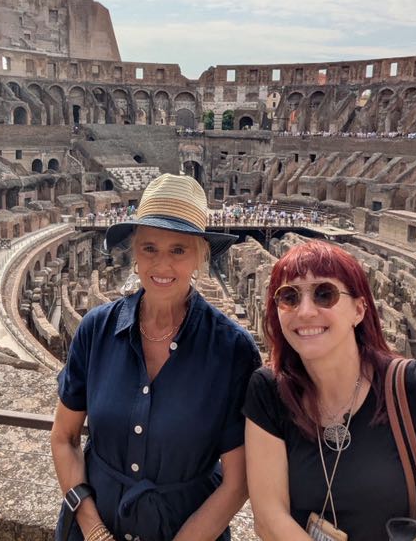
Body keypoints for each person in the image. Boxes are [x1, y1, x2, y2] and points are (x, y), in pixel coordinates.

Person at [243, 240, 416, 540]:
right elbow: (269, 518)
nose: (306, 310)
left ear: (359, 310)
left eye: (325, 294)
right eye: (289, 297)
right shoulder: (269, 391)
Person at [51, 174, 261, 541]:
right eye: (150, 248)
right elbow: (64, 438)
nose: (162, 265)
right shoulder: (96, 329)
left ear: (200, 255)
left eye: (178, 250)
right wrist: (93, 527)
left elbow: (238, 480)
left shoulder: (232, 350)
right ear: (135, 252)